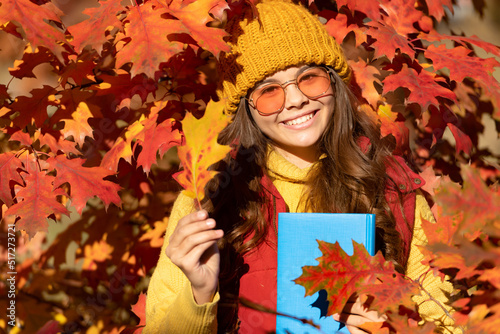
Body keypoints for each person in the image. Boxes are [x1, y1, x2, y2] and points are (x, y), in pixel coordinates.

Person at [144, 1, 460, 333]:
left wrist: (394, 327)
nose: (295, 100)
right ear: (246, 109)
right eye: (269, 92)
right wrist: (199, 295)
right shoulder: (207, 203)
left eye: (309, 79)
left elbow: (447, 322)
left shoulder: (395, 191)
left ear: (334, 84)